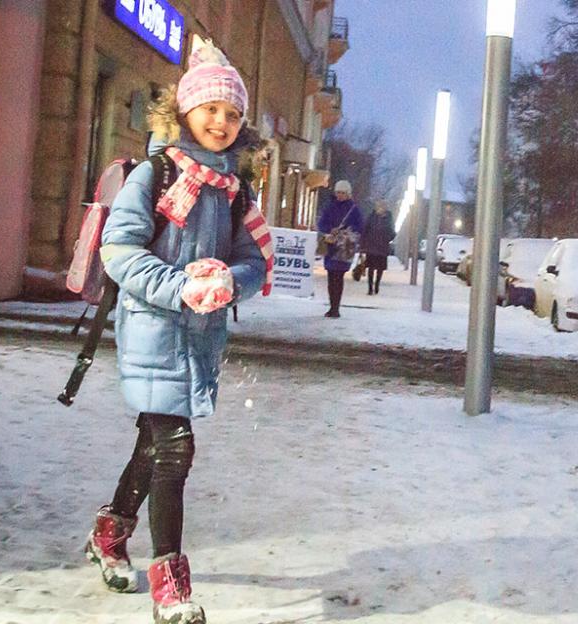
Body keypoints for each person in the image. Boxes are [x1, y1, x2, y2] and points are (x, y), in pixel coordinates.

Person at [85, 42, 272, 624]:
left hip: (200, 335)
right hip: (152, 329)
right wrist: (179, 287)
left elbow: (254, 261)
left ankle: (109, 534)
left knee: (154, 444)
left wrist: (227, 280)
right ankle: (170, 581)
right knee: (174, 448)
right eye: (211, 109)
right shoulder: (156, 172)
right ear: (186, 111)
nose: (221, 122)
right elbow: (120, 252)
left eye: (232, 114)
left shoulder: (233, 187)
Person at [317, 179, 362, 317]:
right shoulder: (330, 207)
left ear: (348, 193)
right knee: (332, 276)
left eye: (342, 193)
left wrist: (348, 230)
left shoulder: (353, 209)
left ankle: (335, 307)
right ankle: (333, 306)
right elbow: (322, 223)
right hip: (331, 245)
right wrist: (329, 230)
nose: (340, 195)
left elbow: (360, 226)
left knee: (338, 276)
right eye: (338, 192)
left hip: (344, 247)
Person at [360, 200, 395, 295]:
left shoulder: (388, 218)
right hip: (371, 246)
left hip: (382, 247)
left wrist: (387, 238)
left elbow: (392, 231)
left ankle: (377, 285)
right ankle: (370, 287)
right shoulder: (371, 217)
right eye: (379, 205)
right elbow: (365, 230)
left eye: (383, 206)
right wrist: (363, 243)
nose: (381, 207)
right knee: (370, 268)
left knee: (380, 268)